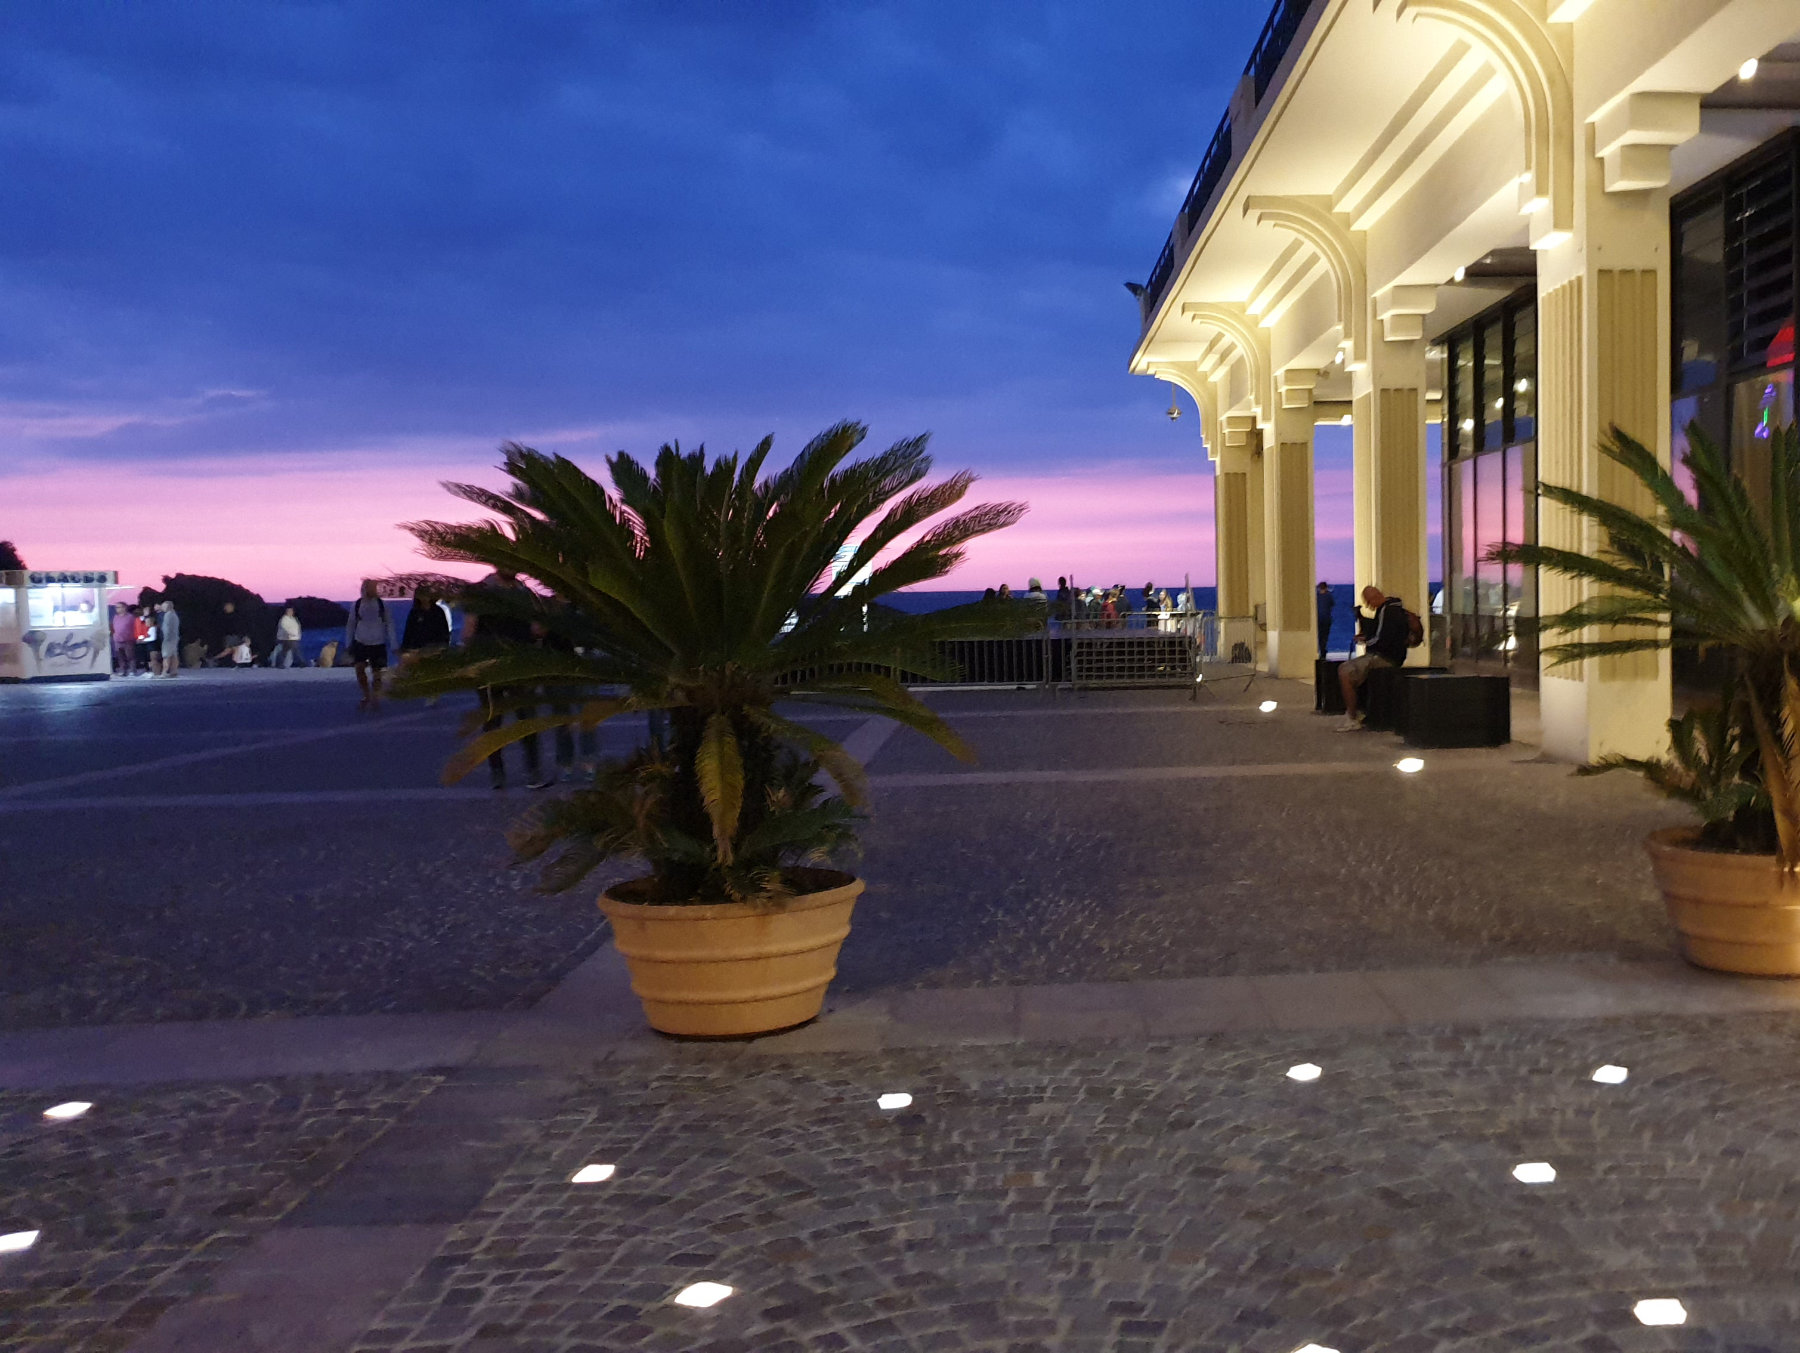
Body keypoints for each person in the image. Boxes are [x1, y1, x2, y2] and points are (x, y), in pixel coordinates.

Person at [466, 570, 548, 790]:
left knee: (522, 721)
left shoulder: (525, 594)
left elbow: (536, 628)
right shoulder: (483, 591)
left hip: (518, 667)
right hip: (492, 667)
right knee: (497, 721)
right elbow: (469, 630)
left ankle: (525, 773)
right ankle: (504, 774)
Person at [1337, 586, 1410, 730]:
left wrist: (1365, 640)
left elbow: (1381, 639)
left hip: (1385, 657)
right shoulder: (1394, 609)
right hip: (1392, 655)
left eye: (1368, 602)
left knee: (1345, 671)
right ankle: (1359, 710)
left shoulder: (1386, 611)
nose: (1368, 606)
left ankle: (1352, 717)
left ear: (1374, 598)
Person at [344, 580, 399, 711]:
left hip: (378, 643)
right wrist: (348, 643)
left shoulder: (382, 605)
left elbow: (390, 624)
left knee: (377, 674)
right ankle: (366, 695)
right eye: (371, 587)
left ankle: (375, 697)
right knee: (359, 669)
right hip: (360, 641)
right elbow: (351, 624)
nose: (374, 589)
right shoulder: (357, 605)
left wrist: (394, 644)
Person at [400, 588, 451, 664]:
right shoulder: (415, 612)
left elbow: (444, 630)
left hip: (434, 648)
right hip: (418, 649)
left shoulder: (438, 611)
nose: (424, 598)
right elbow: (409, 631)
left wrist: (443, 646)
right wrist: (405, 648)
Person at [159, 600, 182, 677]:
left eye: (163, 606)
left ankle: (164, 672)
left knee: (166, 656)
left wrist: (166, 638)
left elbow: (167, 628)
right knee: (173, 655)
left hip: (168, 639)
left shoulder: (168, 615)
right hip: (174, 638)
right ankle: (174, 671)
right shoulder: (174, 615)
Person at [111, 604, 135, 676]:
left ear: (124, 608)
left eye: (118, 607)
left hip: (128, 639)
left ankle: (132, 670)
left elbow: (134, 627)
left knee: (130, 656)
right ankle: (123, 670)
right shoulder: (116, 617)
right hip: (118, 640)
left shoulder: (130, 617)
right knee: (120, 657)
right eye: (116, 607)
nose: (117, 609)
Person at [1316, 581, 1335, 661]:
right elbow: (1332, 604)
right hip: (1327, 619)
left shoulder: (1317, 596)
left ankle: (1321, 650)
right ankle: (1323, 650)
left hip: (1319, 619)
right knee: (1325, 636)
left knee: (1320, 636)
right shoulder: (1329, 596)